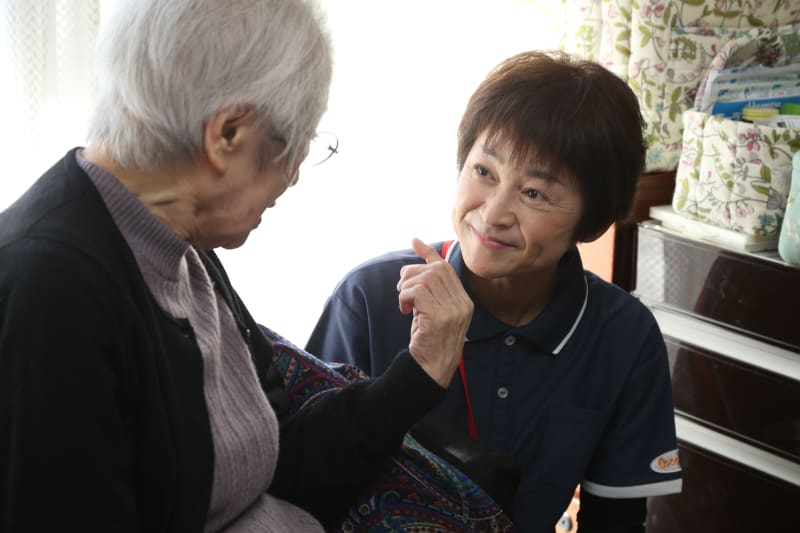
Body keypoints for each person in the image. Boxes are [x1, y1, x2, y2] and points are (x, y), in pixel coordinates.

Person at [0, 0, 475, 531]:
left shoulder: (179, 244)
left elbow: (273, 465)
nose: (294, 175)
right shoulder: (52, 287)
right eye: (296, 144)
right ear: (227, 134)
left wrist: (419, 371)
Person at [307, 50, 683, 532]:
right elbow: (304, 483)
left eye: (535, 194)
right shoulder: (372, 298)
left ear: (591, 221)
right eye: (485, 172)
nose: (494, 212)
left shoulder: (623, 335)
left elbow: (616, 521)